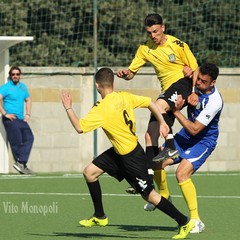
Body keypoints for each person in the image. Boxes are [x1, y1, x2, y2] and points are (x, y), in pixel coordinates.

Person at [61, 67, 194, 239]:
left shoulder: (101, 108)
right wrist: (162, 122)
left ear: (97, 86)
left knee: (151, 197)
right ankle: (100, 216)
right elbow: (150, 103)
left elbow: (79, 127)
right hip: (119, 152)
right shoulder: (124, 96)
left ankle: (184, 222)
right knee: (90, 173)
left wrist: (68, 108)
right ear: (113, 83)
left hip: (133, 158)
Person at [117, 13, 199, 189]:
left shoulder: (177, 44)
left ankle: (170, 147)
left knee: (157, 105)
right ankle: (146, 181)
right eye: (149, 33)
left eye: (155, 31)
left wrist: (193, 92)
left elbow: (194, 67)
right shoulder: (144, 49)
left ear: (163, 27)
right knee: (150, 135)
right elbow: (132, 73)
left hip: (181, 85)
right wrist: (126, 75)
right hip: (166, 92)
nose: (153, 35)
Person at [147, 63, 223, 234]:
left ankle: (196, 220)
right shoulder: (194, 87)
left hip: (203, 141)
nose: (199, 83)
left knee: (181, 173)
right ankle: (164, 195)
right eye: (199, 79)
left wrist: (176, 111)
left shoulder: (214, 101)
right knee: (156, 161)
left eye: (204, 81)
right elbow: (188, 67)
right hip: (186, 137)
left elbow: (195, 129)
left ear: (213, 82)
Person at [0, 66, 34, 175]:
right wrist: (5, 114)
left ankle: (21, 163)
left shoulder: (23, 87)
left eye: (17, 74)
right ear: (10, 76)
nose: (15, 76)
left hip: (21, 119)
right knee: (17, 141)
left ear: (20, 75)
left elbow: (28, 100)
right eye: (13, 74)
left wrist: (28, 114)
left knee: (29, 138)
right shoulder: (6, 87)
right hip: (11, 119)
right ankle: (21, 164)